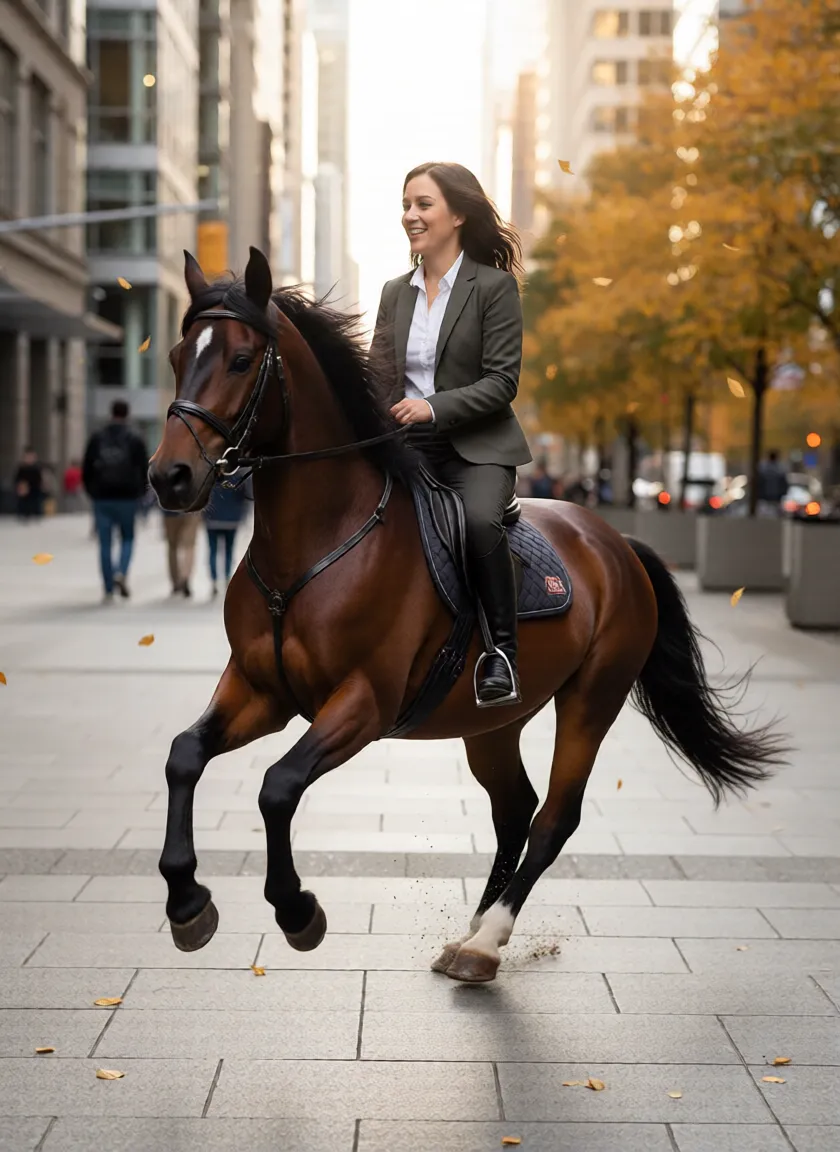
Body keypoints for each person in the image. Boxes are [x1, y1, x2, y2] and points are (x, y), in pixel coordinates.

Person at [372, 161, 532, 706]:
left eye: (423, 205)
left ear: (458, 214)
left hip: (477, 448)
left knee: (479, 524)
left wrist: (430, 409)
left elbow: (502, 382)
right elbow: (379, 378)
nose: (410, 216)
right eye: (406, 204)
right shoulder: (395, 292)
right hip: (404, 446)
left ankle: (501, 654)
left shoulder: (493, 288)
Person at [82, 399, 149, 601]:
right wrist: (140, 493)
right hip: (127, 497)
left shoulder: (97, 436)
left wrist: (92, 492)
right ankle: (121, 571)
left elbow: (86, 468)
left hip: (102, 497)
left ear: (111, 413)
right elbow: (144, 469)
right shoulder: (135, 438)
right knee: (127, 538)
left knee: (105, 543)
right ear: (127, 414)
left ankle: (108, 587)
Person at [203, 477, 251, 596]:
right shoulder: (237, 478)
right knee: (229, 550)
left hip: (212, 520)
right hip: (232, 520)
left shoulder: (211, 478)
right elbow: (245, 498)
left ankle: (214, 580)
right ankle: (227, 577)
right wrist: (242, 516)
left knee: (213, 550)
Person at [162, 509, 200, 597]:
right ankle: (185, 577)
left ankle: (176, 580)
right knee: (189, 546)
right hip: (190, 509)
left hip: (170, 511)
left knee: (173, 547)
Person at [14, 447, 45, 521]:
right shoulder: (22, 468)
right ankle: (24, 515)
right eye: (28, 457)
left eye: (32, 457)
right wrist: (20, 486)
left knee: (35, 503)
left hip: (35, 490)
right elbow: (17, 479)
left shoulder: (37, 468)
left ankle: (36, 515)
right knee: (24, 504)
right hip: (25, 490)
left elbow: (40, 480)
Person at [757, 449, 788, 515]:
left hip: (766, 495)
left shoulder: (763, 468)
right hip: (775, 495)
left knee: (766, 511)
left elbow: (759, 482)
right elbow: (784, 483)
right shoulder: (780, 468)